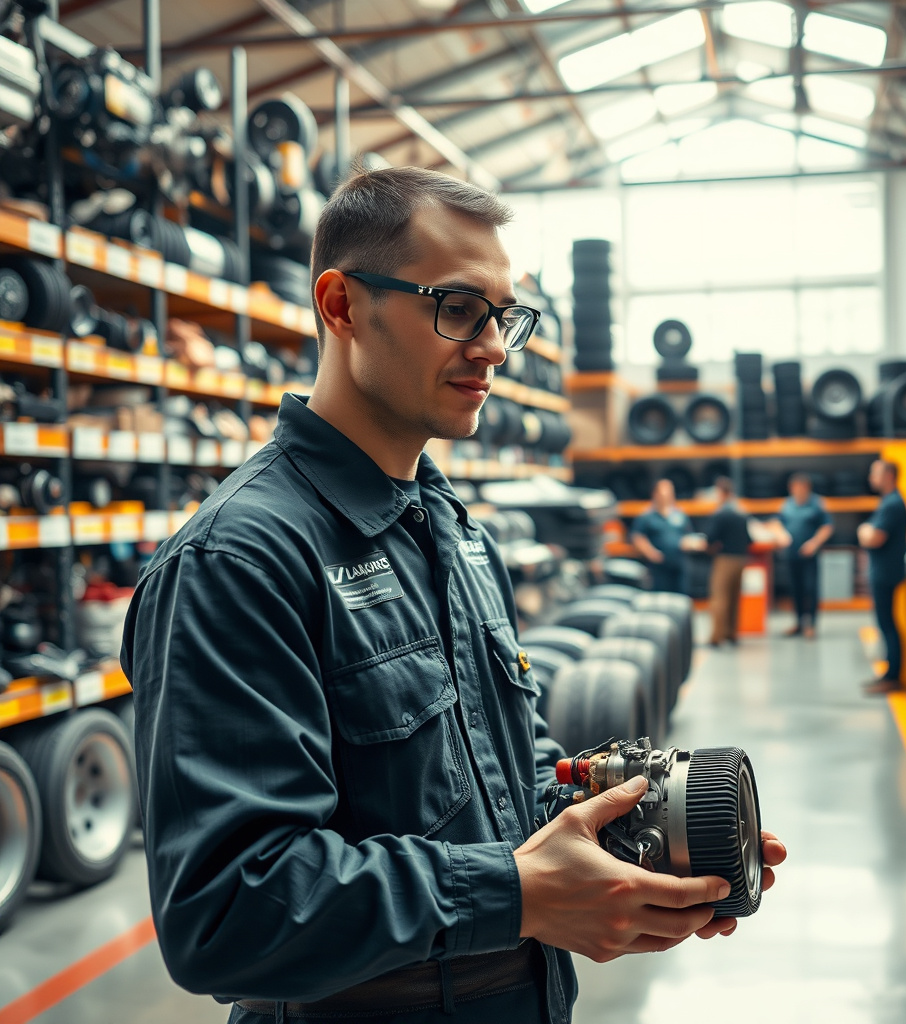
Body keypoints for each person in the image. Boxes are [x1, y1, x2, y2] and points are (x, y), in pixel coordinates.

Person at [121, 167, 786, 1024]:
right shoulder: (240, 561)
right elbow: (226, 912)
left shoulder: (455, 533)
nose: (497, 348)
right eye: (460, 308)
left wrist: (631, 844)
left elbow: (511, 781)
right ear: (342, 305)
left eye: (504, 316)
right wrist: (517, 893)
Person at [858, 459, 906, 695]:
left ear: (889, 475)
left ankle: (892, 677)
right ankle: (889, 674)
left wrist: (863, 531)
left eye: (875, 473)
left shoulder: (892, 504)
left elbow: (873, 538)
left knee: (887, 624)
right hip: (884, 571)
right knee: (885, 623)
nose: (871, 478)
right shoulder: (890, 502)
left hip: (885, 573)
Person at [774, 473, 833, 639]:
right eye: (794, 487)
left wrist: (814, 543)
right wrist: (781, 535)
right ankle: (799, 622)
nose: (797, 490)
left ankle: (811, 625)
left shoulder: (816, 504)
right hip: (791, 555)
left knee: (811, 589)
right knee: (796, 589)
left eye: (800, 487)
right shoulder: (787, 504)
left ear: (807, 487)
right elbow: (778, 522)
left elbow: (827, 527)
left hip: (809, 555)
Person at [702, 476, 751, 647]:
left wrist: (709, 547)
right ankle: (732, 634)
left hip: (725, 560)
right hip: (741, 559)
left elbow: (710, 538)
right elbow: (749, 539)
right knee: (734, 598)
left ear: (722, 493)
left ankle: (717, 637)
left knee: (720, 598)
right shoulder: (742, 512)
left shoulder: (721, 513)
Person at [630, 477, 698, 594]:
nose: (667, 496)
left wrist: (690, 543)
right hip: (659, 567)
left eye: (670, 492)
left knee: (681, 596)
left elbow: (688, 534)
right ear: (655, 494)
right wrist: (651, 553)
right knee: (661, 598)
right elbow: (637, 537)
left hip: (679, 563)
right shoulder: (646, 516)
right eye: (664, 493)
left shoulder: (679, 515)